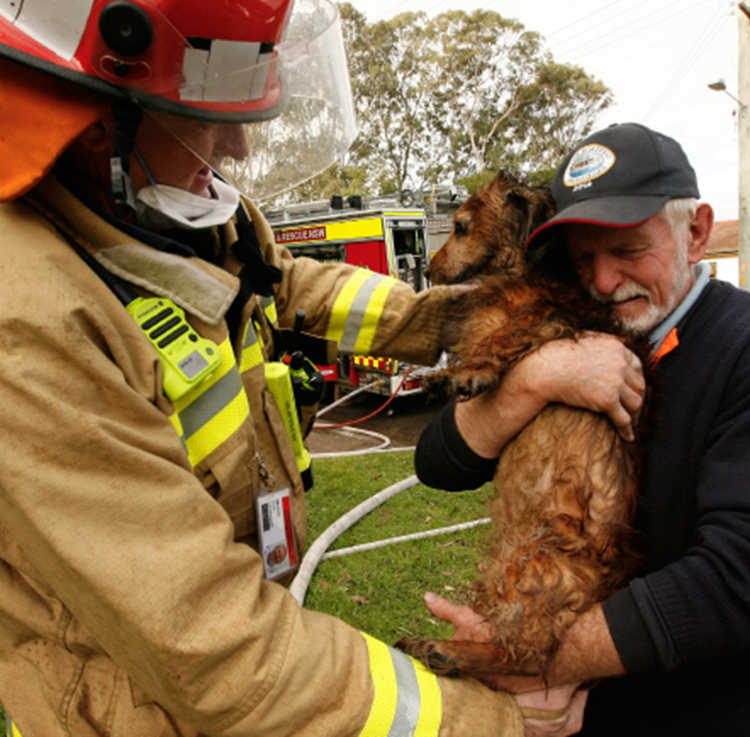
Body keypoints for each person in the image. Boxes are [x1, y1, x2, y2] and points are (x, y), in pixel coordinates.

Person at [0, 1, 577, 735]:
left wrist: (465, 322)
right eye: (207, 115)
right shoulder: (26, 323)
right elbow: (218, 647)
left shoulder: (179, 223)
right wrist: (493, 721)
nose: (237, 148)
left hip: (243, 648)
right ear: (91, 117)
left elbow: (288, 284)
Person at [415, 122, 750, 736]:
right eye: (583, 257)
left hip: (714, 714)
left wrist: (536, 662)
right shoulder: (576, 329)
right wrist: (536, 378)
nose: (605, 281)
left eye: (629, 249)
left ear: (694, 233)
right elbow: (438, 464)